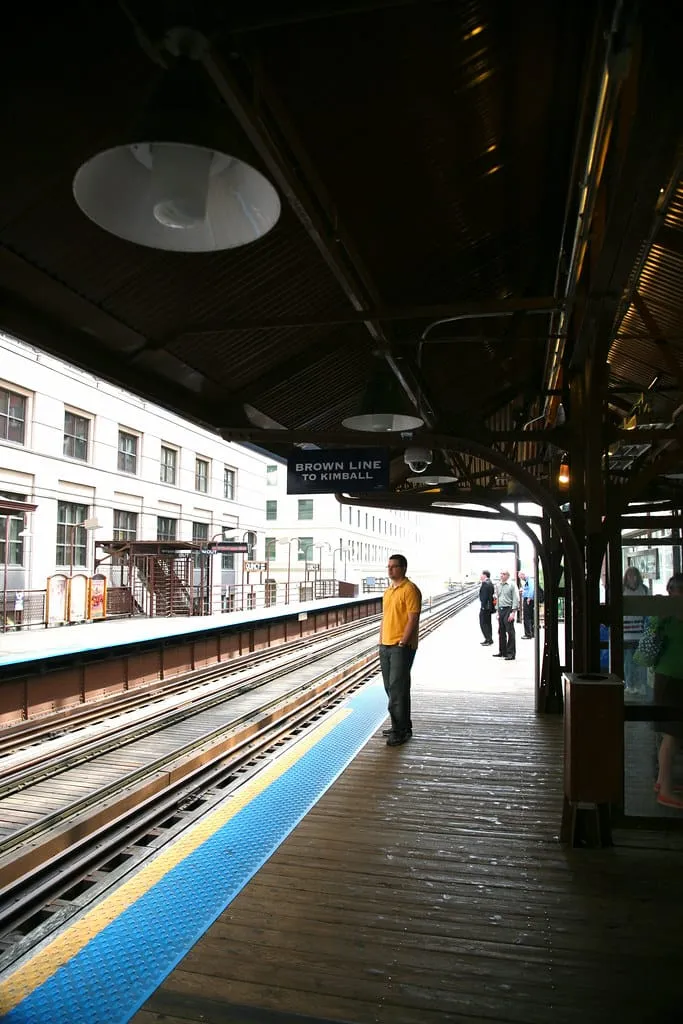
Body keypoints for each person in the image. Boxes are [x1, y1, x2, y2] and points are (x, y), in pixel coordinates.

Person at [379, 554, 422, 747]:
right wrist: (381, 640)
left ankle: (401, 730)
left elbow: (413, 618)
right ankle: (400, 724)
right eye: (388, 566)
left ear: (403, 568)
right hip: (386, 645)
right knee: (391, 687)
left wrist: (403, 643)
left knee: (398, 688)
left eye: (394, 567)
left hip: (400, 646)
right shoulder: (388, 591)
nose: (390, 570)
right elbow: (386, 617)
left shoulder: (410, 590)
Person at [652, 573, 683, 809]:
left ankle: (663, 781)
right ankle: (666, 789)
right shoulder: (672, 617)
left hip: (667, 676)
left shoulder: (664, 615)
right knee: (672, 734)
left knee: (670, 734)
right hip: (673, 678)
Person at [623, 566, 649, 696]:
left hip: (640, 631)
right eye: (629, 576)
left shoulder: (644, 590)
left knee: (641, 661)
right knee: (628, 661)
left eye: (634, 576)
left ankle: (642, 685)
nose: (632, 578)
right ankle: (630, 685)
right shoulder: (622, 590)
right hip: (626, 632)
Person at [493, 569, 519, 661]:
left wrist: (513, 612)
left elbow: (516, 598)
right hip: (501, 609)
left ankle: (511, 653)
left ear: (508, 575)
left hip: (509, 608)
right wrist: (497, 611)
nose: (501, 575)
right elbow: (498, 598)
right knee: (501, 631)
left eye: (503, 574)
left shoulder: (512, 585)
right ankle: (502, 651)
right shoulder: (498, 585)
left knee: (510, 631)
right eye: (501, 574)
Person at [478, 570, 495, 645]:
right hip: (489, 607)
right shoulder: (490, 583)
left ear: (485, 575)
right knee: (488, 623)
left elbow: (484, 597)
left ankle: (488, 639)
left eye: (481, 575)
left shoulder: (485, 584)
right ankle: (489, 639)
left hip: (485, 607)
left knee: (483, 623)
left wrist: (483, 607)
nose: (480, 576)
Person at [519, 572, 535, 639]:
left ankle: (528, 634)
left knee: (527, 617)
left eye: (520, 576)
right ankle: (532, 633)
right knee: (530, 616)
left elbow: (532, 589)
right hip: (529, 599)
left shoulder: (529, 581)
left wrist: (529, 597)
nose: (520, 578)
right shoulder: (527, 581)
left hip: (528, 600)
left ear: (523, 575)